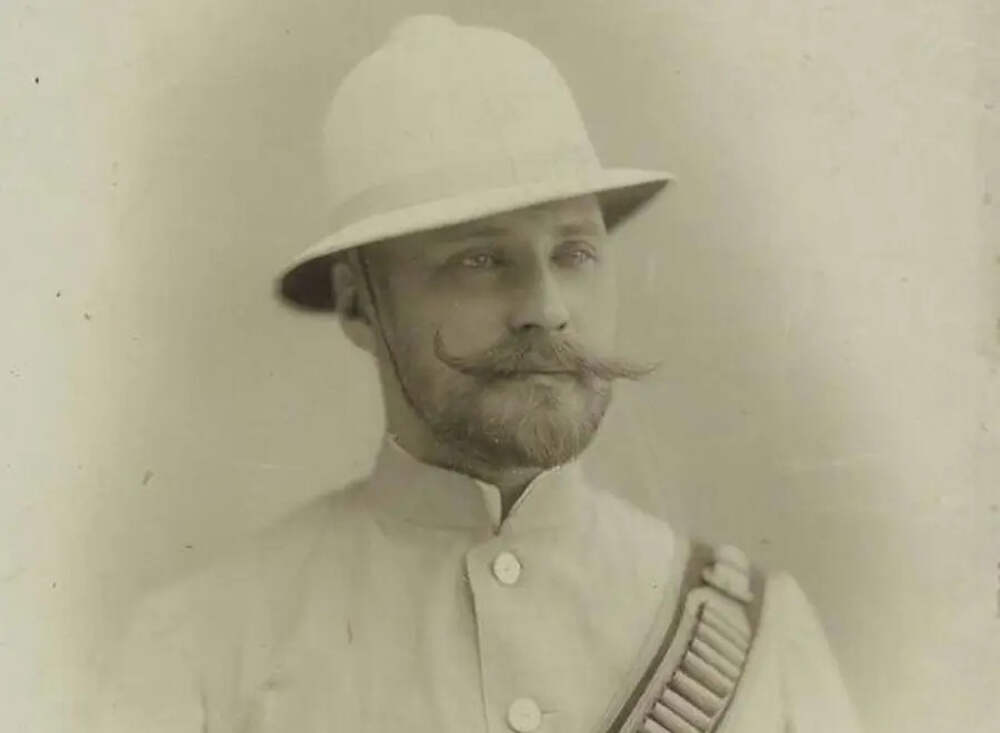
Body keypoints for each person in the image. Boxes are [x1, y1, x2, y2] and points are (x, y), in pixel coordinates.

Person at [100, 15, 862, 733]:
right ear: (359, 305)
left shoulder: (758, 637)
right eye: (479, 259)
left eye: (574, 252)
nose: (547, 309)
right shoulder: (203, 651)